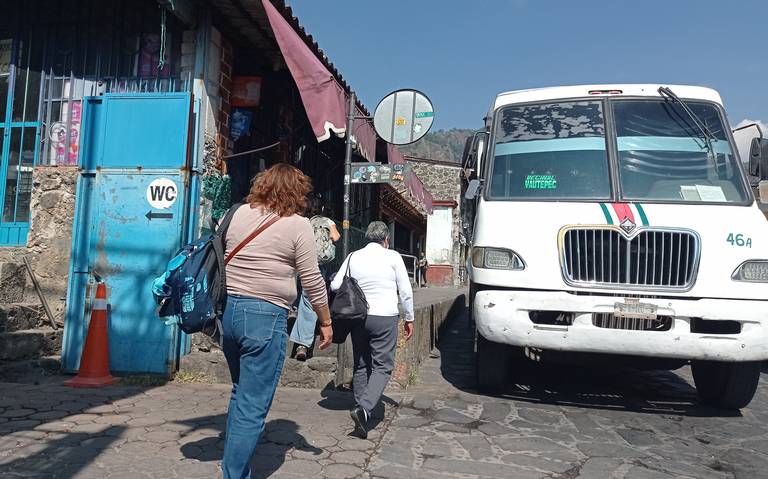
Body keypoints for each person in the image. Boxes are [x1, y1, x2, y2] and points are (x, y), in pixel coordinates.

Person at [221, 163, 332, 479]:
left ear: (263, 185)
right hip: (264, 316)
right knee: (253, 405)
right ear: (297, 193)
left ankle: (234, 462)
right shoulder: (298, 225)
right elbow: (311, 279)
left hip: (228, 313)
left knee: (241, 390)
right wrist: (325, 320)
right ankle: (234, 474)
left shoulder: (236, 214)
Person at [330, 221, 414, 439]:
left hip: (358, 317)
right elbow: (405, 291)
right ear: (386, 239)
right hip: (385, 317)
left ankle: (361, 414)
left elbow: (335, 285)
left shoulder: (353, 256)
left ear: (368, 237)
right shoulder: (393, 256)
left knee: (361, 363)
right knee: (383, 366)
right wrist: (409, 318)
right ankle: (364, 408)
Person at [291, 198, 341, 361]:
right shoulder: (327, 221)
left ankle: (294, 319)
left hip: (300, 261)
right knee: (309, 299)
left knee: (298, 294)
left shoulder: (303, 221)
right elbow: (336, 237)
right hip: (318, 265)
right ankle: (303, 344)